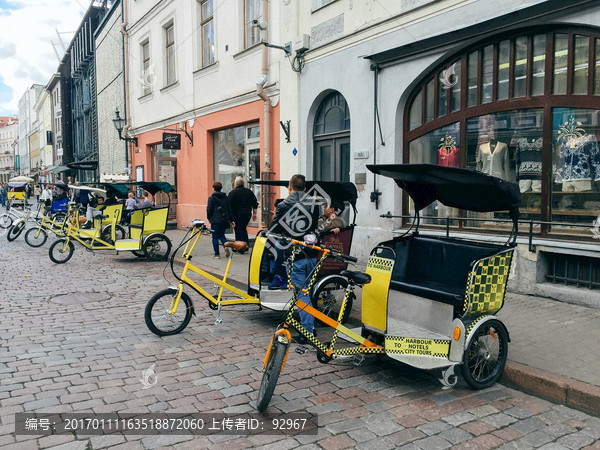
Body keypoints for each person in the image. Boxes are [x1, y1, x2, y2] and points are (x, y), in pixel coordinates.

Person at [268, 174, 320, 343]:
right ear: (305, 188)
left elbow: (274, 228)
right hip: (312, 253)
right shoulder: (315, 204)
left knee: (301, 295)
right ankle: (309, 326)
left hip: (295, 254)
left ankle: (307, 332)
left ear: (289, 187)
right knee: (308, 292)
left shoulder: (284, 205)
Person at [227, 176, 258, 249]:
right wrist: (254, 214)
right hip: (247, 214)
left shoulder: (232, 193)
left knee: (238, 230)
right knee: (243, 229)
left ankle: (239, 247)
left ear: (236, 184)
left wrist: (231, 219)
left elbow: (228, 206)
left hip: (237, 214)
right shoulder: (249, 192)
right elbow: (255, 203)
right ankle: (246, 245)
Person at [207, 181, 234, 259]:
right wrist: (231, 220)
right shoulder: (225, 197)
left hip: (215, 221)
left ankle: (217, 254)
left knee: (215, 236)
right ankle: (225, 246)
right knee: (221, 234)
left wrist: (209, 218)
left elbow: (209, 209)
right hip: (223, 220)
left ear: (213, 188)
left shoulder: (211, 198)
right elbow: (229, 209)